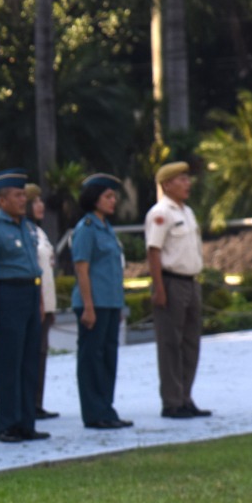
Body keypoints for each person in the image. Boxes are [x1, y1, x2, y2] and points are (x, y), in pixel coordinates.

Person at [0, 170, 46, 443]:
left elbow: (35, 269)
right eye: (17, 195)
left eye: (23, 195)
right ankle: (7, 424)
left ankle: (27, 422)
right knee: (7, 364)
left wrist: (38, 301)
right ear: (2, 200)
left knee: (29, 363)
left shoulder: (27, 227)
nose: (22, 200)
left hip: (29, 294)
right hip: (7, 296)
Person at [145, 161, 210, 418]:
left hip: (191, 281)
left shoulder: (187, 212)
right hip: (171, 282)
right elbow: (153, 252)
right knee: (170, 343)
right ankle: (172, 401)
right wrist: (159, 289)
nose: (187, 184)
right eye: (181, 179)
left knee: (191, 342)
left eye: (187, 179)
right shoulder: (161, 213)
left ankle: (185, 396)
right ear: (167, 184)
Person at [70, 173, 132, 429]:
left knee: (108, 358)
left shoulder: (106, 228)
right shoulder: (86, 228)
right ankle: (94, 413)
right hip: (93, 303)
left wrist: (118, 304)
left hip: (110, 302)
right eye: (107, 196)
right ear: (94, 199)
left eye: (113, 196)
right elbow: (82, 269)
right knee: (91, 359)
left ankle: (106, 408)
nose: (113, 200)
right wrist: (88, 306)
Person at [27, 183, 60, 420]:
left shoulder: (39, 232)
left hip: (45, 305)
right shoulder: (24, 231)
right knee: (31, 355)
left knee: (40, 355)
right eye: (34, 201)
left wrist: (50, 306)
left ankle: (36, 403)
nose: (41, 205)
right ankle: (28, 403)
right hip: (33, 305)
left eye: (40, 200)